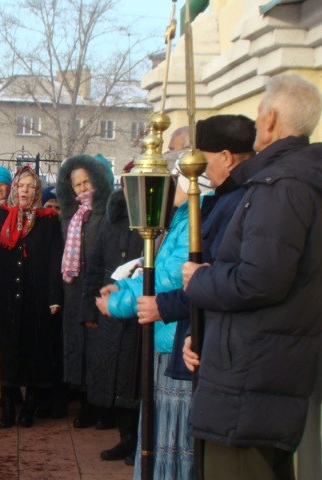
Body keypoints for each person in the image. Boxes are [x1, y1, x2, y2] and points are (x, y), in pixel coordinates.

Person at [182, 74, 322, 480]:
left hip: (249, 382)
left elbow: (260, 280)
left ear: (271, 119)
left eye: (260, 112)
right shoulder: (293, 179)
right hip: (262, 373)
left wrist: (199, 280)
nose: (257, 120)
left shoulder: (282, 185)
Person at [132, 116, 255, 478]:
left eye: (201, 158)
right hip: (186, 334)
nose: (195, 167)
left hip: (199, 340)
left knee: (182, 444)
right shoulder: (209, 205)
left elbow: (216, 277)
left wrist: (164, 305)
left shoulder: (228, 203)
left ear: (226, 157)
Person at [96, 158, 212, 479]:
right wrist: (124, 287)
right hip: (167, 337)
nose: (168, 183)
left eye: (174, 175)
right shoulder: (182, 217)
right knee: (161, 434)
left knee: (174, 439)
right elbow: (156, 270)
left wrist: (121, 302)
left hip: (177, 339)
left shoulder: (195, 218)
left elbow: (171, 279)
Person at [0, 165, 63, 429]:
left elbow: (55, 259)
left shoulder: (48, 220)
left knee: (34, 350)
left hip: (36, 296)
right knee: (6, 351)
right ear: (14, 189)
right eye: (21, 186)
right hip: (4, 295)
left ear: (37, 190)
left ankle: (30, 405)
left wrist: (54, 296)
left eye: (30, 186)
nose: (24, 190)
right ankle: (7, 406)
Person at [83, 161, 143, 466]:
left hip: (140, 307)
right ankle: (125, 438)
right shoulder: (111, 217)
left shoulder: (155, 219)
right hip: (110, 304)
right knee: (114, 377)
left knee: (135, 377)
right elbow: (94, 262)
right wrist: (90, 305)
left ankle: (139, 443)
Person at [56, 154, 114, 429]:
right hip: (73, 292)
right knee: (77, 349)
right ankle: (85, 402)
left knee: (98, 351)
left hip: (98, 291)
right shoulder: (70, 217)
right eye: (77, 184)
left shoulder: (107, 214)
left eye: (86, 182)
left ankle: (101, 407)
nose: (82, 188)